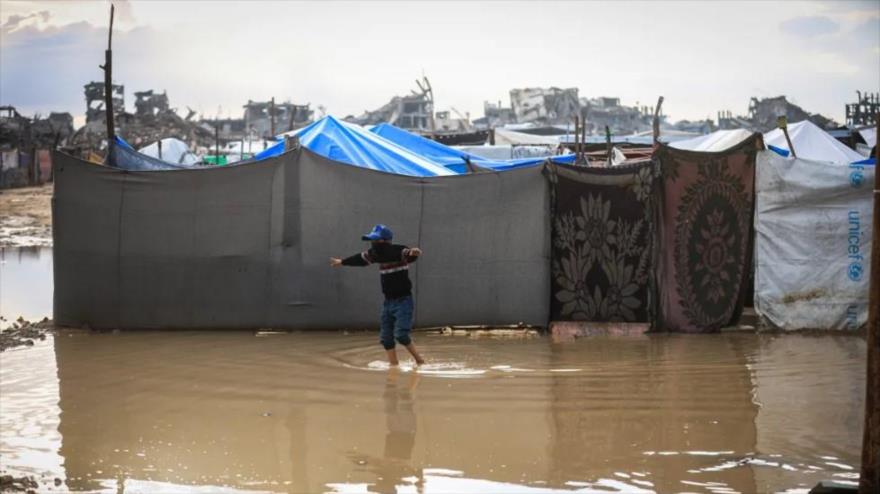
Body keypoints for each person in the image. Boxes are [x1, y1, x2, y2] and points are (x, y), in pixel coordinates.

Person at [330, 224, 426, 366]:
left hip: (403, 301)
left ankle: (420, 361)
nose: (373, 243)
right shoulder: (375, 254)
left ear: (386, 241)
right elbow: (360, 259)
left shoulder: (398, 251)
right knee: (386, 338)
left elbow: (408, 254)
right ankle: (394, 366)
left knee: (401, 335)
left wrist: (414, 253)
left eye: (376, 240)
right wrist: (342, 262)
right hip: (388, 303)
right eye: (372, 240)